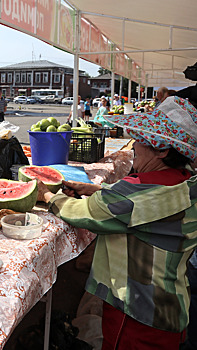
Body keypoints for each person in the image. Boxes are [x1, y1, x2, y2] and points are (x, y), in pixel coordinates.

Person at [38, 96, 197, 349]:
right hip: (172, 307)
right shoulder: (186, 182)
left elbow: (84, 213)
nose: (134, 147)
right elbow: (138, 203)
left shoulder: (136, 192)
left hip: (137, 313)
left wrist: (46, 194)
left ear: (162, 150)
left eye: (141, 141)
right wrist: (92, 187)